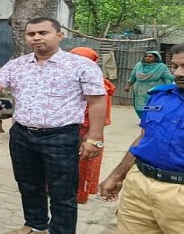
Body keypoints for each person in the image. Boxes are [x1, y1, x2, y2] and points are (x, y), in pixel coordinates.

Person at [0, 17, 107, 234]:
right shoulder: (17, 65)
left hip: (60, 137)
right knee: (28, 185)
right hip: (22, 136)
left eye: (43, 33)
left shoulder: (81, 65)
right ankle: (35, 225)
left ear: (59, 35)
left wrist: (94, 137)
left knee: (62, 192)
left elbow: (96, 101)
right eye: (31, 34)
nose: (36, 38)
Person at [99, 42, 184, 233]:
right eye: (175, 66)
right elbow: (144, 137)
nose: (179, 73)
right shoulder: (158, 96)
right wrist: (117, 176)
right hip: (139, 187)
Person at [70, 47, 116, 204]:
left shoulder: (99, 85)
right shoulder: (68, 79)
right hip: (72, 127)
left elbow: (98, 111)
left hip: (88, 129)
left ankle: (79, 194)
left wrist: (90, 133)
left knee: (84, 161)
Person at [124, 51, 174, 118]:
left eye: (150, 57)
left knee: (152, 106)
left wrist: (168, 89)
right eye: (146, 56)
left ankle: (150, 120)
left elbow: (167, 78)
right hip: (139, 90)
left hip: (154, 90)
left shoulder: (161, 67)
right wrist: (128, 85)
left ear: (156, 58)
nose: (147, 58)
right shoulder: (139, 65)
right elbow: (133, 76)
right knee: (139, 107)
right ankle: (143, 119)